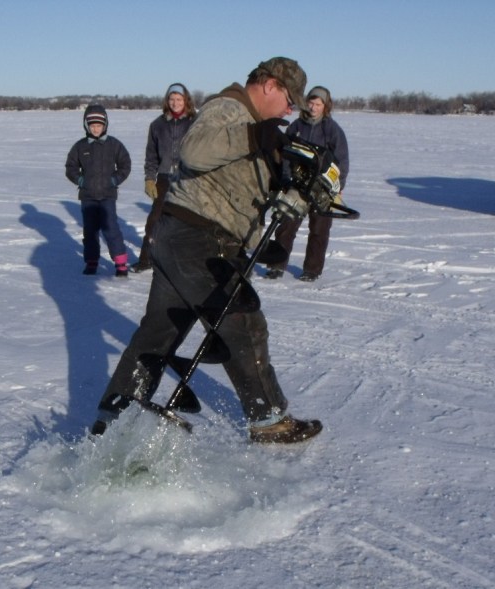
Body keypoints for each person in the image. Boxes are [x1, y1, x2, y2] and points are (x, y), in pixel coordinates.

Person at [90, 57, 323, 444]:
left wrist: (295, 191)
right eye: (288, 98)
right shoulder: (228, 108)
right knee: (243, 322)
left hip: (184, 236)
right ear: (269, 85)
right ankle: (269, 421)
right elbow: (194, 151)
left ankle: (111, 422)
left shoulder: (254, 127)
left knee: (159, 333)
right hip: (200, 238)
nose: (290, 109)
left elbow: (242, 183)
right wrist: (255, 138)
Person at [265, 85, 349, 281]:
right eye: (311, 103)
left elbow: (342, 161)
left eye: (318, 104)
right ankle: (277, 265)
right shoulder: (296, 126)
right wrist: (286, 178)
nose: (313, 107)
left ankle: (312, 270)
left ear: (325, 106)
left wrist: (338, 186)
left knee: (319, 230)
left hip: (322, 188)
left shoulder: (333, 130)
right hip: (298, 184)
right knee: (286, 226)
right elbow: (286, 154)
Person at [131, 83, 197, 273]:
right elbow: (151, 156)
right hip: (165, 178)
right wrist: (149, 179)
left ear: (186, 101)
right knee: (155, 220)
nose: (175, 103)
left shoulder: (195, 123)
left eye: (179, 99)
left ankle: (187, 262)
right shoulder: (157, 125)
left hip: (188, 179)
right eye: (172, 99)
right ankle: (146, 259)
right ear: (167, 101)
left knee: (188, 221)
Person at [65, 104, 132, 276]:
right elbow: (70, 167)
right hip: (88, 196)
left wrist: (114, 179)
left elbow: (125, 164)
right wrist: (80, 179)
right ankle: (92, 261)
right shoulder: (80, 146)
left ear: (105, 125)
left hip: (107, 196)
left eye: (99, 125)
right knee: (90, 231)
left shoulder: (113, 144)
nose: (96, 129)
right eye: (92, 125)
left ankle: (121, 263)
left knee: (111, 228)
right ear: (86, 126)